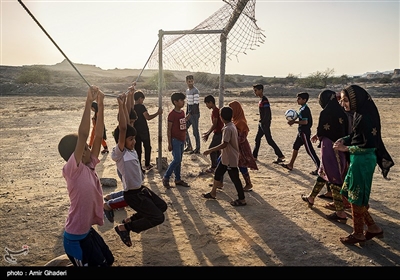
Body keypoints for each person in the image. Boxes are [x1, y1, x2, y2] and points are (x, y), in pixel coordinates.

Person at [58, 85, 114, 266]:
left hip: (87, 232)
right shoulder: (72, 170)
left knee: (109, 260)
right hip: (75, 239)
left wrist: (102, 104)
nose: (91, 148)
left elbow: (98, 136)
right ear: (79, 151)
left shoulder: (89, 165)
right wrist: (89, 101)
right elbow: (83, 135)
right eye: (86, 148)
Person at [333, 85, 394, 245]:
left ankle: (358, 233)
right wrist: (344, 139)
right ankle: (372, 227)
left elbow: (370, 145)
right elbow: (356, 135)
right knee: (349, 193)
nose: (343, 104)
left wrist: (346, 148)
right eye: (342, 100)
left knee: (356, 197)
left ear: (355, 100)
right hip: (357, 159)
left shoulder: (367, 117)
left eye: (346, 100)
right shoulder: (359, 114)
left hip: (364, 160)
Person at [112, 93, 168, 247]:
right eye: (131, 139)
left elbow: (129, 124)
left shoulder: (131, 150)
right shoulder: (120, 152)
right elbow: (123, 129)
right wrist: (120, 105)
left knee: (162, 207)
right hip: (133, 195)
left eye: (134, 139)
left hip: (141, 190)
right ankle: (125, 228)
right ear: (121, 141)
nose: (134, 141)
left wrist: (127, 100)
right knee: (158, 218)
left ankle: (129, 220)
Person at [300, 89, 349, 222]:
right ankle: (311, 197)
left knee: (334, 178)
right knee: (323, 172)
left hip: (329, 148)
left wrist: (319, 134)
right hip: (340, 146)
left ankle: (340, 212)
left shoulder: (325, 113)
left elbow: (323, 128)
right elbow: (340, 130)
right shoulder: (342, 113)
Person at [202, 106, 246, 206]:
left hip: (230, 158)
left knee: (235, 178)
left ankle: (242, 199)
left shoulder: (228, 128)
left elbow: (224, 144)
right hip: (225, 157)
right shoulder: (231, 126)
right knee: (218, 173)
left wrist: (210, 150)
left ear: (221, 117)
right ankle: (213, 193)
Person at [281, 92, 320, 175]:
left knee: (309, 150)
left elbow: (305, 122)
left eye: (299, 99)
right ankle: (290, 165)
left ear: (304, 100)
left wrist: (294, 121)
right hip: (301, 132)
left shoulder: (305, 110)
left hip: (304, 132)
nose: (297, 100)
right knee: (295, 147)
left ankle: (319, 167)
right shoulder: (302, 108)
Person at [162, 92, 191, 188]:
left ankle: (178, 179)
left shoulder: (182, 112)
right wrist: (170, 143)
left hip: (182, 139)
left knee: (179, 160)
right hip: (175, 140)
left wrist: (187, 118)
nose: (183, 102)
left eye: (183, 100)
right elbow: (169, 129)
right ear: (175, 102)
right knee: (177, 159)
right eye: (181, 100)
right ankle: (166, 177)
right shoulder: (172, 114)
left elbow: (181, 124)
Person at [229, 100, 258, 191]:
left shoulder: (241, 122)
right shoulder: (235, 120)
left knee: (242, 165)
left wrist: (230, 141)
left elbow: (242, 138)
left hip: (241, 148)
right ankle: (218, 182)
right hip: (235, 147)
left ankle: (248, 183)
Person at [252, 84, 285, 163]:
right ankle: (254, 156)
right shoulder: (261, 100)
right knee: (257, 139)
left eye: (256, 90)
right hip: (262, 123)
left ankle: (280, 156)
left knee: (269, 140)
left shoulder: (264, 100)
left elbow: (268, 113)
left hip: (264, 124)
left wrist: (264, 122)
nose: (255, 92)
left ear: (261, 90)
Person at [133, 89, 163, 171]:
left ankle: (139, 167)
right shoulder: (141, 107)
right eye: (142, 99)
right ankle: (147, 164)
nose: (142, 101)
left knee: (138, 149)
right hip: (143, 130)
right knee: (147, 147)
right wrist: (157, 113)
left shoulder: (132, 107)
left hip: (135, 130)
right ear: (140, 99)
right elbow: (148, 117)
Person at [201, 95, 224, 173]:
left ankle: (214, 166)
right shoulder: (216, 110)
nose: (206, 106)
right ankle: (218, 165)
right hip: (218, 132)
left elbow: (214, 124)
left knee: (212, 149)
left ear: (210, 103)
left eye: (207, 104)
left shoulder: (215, 111)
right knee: (217, 150)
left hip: (218, 133)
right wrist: (208, 133)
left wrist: (208, 134)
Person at [184, 75, 201, 154]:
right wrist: (187, 113)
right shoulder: (187, 91)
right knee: (184, 128)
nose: (190, 82)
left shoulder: (195, 91)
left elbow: (195, 104)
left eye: (191, 81)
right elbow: (188, 104)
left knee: (195, 131)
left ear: (193, 81)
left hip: (194, 113)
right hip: (189, 112)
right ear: (186, 82)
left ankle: (197, 148)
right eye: (189, 81)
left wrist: (189, 114)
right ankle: (189, 146)